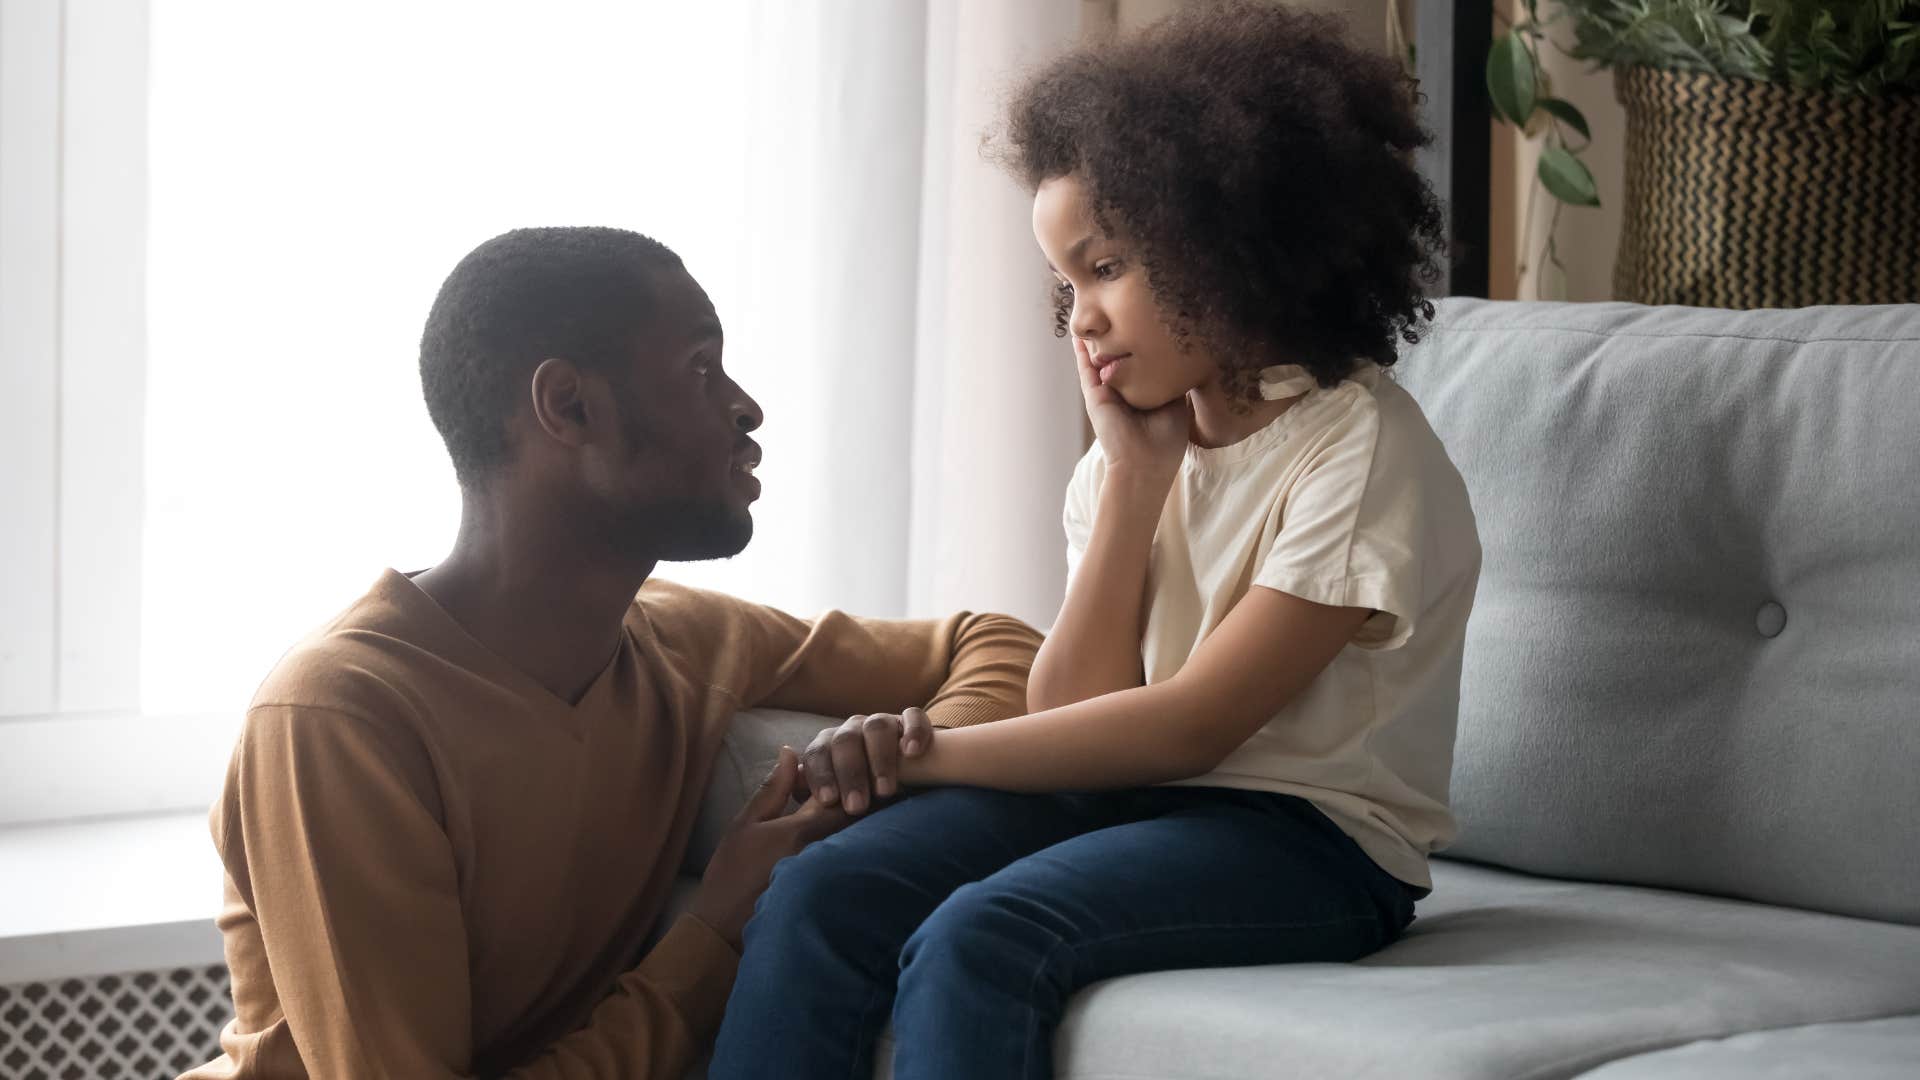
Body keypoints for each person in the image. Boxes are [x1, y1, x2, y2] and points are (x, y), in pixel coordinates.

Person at [709, 5, 1482, 1078]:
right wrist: (1132, 479)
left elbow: (1185, 729)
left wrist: (920, 754)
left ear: (1221, 241)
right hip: (1136, 804)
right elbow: (1072, 716)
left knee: (985, 938)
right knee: (821, 889)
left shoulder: (1357, 453)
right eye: (1065, 285)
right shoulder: (1133, 459)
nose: (1079, 317)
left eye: (1106, 266)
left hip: (1312, 845)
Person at [180, 226, 1042, 1079]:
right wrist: (714, 933)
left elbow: (998, 642)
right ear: (569, 406)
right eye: (700, 369)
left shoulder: (683, 641)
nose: (745, 408)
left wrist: (915, 752)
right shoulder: (342, 720)